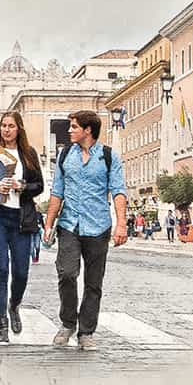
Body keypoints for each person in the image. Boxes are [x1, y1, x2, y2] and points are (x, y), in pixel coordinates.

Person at [43, 110, 127, 351]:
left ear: (88, 130)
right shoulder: (65, 155)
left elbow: (118, 191)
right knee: (67, 273)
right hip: (69, 224)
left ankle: (86, 331)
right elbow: (57, 192)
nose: (69, 130)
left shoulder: (109, 156)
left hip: (98, 226)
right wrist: (49, 223)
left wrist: (121, 223)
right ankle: (68, 322)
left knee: (93, 282)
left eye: (73, 127)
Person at [0, 110, 44, 343]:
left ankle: (14, 305)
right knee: (1, 268)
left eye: (11, 126)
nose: (6, 129)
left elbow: (39, 186)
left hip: (21, 217)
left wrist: (21, 185)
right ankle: (1, 321)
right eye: (3, 125)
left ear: (19, 128)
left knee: (21, 272)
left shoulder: (29, 154)